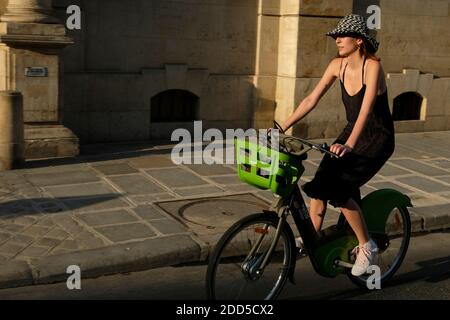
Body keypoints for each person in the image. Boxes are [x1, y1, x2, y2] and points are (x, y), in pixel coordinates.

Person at [279, 14, 395, 276]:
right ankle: (313, 238)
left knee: (341, 189)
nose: (337, 40)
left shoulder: (373, 66)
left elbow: (365, 112)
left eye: (342, 36)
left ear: (359, 40)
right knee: (320, 185)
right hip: (350, 132)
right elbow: (311, 99)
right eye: (335, 36)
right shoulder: (337, 65)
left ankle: (367, 246)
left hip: (377, 137)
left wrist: (349, 146)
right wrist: (282, 126)